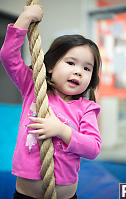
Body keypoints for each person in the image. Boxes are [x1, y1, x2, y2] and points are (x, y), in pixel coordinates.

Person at [0, 4, 102, 199]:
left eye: (87, 68)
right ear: (50, 67)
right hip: (25, 195)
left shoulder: (86, 108)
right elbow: (8, 56)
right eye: (70, 63)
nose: (78, 71)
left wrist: (62, 130)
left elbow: (93, 148)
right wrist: (26, 18)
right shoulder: (33, 88)